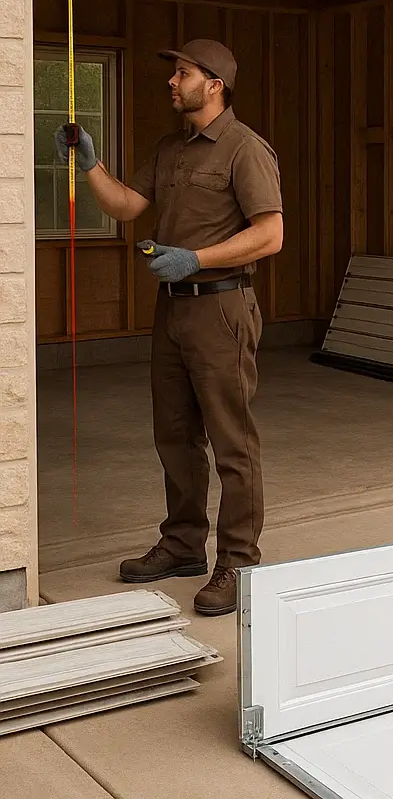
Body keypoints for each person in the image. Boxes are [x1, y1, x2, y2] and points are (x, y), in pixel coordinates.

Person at [55, 39, 283, 617]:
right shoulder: (170, 148)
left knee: (232, 440)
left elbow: (270, 234)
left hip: (222, 309)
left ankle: (238, 562)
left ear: (215, 84)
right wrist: (89, 164)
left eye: (183, 73)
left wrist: (196, 259)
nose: (172, 82)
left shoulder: (245, 148)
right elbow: (126, 206)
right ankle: (183, 545)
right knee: (175, 435)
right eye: (175, 73)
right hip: (174, 309)